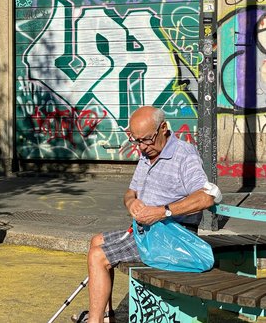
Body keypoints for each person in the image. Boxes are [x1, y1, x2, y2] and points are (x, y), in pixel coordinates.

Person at [72, 106, 217, 323]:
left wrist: (162, 211)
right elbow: (131, 192)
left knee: (98, 256)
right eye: (136, 141)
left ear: (163, 128)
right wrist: (132, 203)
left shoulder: (184, 154)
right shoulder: (147, 154)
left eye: (146, 140)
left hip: (172, 235)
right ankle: (106, 315)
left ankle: (95, 322)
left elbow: (207, 197)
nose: (141, 146)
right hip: (148, 231)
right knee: (96, 240)